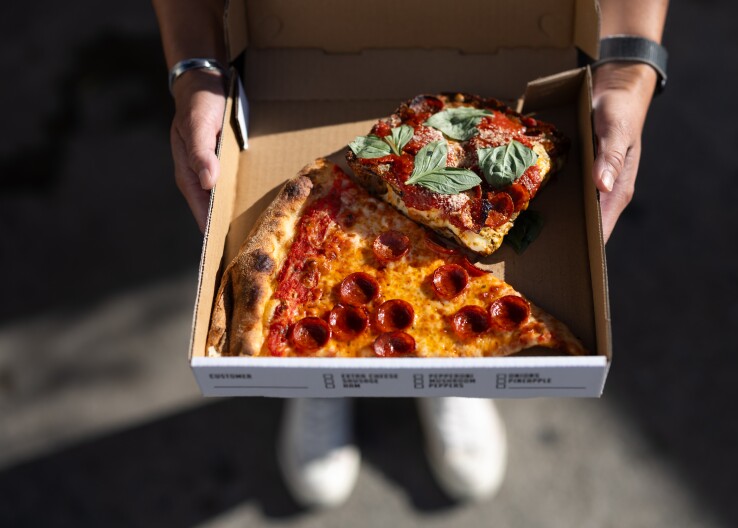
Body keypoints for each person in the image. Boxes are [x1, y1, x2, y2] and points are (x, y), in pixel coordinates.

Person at [153, 0, 668, 508]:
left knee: (451, 298)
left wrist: (627, 68)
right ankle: (313, 375)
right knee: (307, 324)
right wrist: (194, 69)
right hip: (292, 34)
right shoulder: (332, 189)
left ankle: (450, 371)